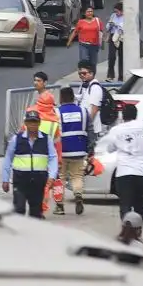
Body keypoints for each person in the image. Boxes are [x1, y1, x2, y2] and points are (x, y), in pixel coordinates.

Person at [98, 101, 143, 222]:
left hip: (123, 173)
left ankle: (127, 229)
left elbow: (110, 148)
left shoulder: (116, 130)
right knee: (140, 204)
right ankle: (138, 231)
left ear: (122, 116)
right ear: (136, 115)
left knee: (125, 204)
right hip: (141, 173)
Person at [1, 107, 62, 219]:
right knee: (19, 209)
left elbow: (53, 158)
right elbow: (8, 158)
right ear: (25, 123)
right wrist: (5, 179)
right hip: (20, 181)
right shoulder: (17, 139)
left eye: (35, 122)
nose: (32, 125)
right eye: (30, 122)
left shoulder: (46, 139)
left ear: (39, 123)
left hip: (38, 182)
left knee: (36, 212)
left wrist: (52, 176)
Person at [54, 86, 90, 216]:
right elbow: (89, 130)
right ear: (73, 97)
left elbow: (53, 133)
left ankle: (60, 206)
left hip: (61, 151)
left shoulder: (56, 112)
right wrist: (89, 148)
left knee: (60, 178)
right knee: (77, 176)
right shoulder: (83, 111)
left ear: (61, 98)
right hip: (79, 150)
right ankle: (78, 195)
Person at [74, 63, 111, 141]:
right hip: (85, 126)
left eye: (84, 73)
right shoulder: (84, 85)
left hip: (91, 129)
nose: (81, 75)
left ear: (92, 73)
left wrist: (87, 126)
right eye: (79, 74)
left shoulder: (95, 88)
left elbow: (94, 109)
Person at [104, 2, 126, 78]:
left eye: (117, 11)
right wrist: (110, 25)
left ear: (122, 10)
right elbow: (107, 27)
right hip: (113, 36)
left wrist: (118, 26)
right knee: (111, 56)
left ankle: (121, 76)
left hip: (121, 37)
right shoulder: (113, 16)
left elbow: (125, 27)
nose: (116, 13)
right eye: (115, 11)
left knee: (121, 57)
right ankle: (110, 75)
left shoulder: (126, 17)